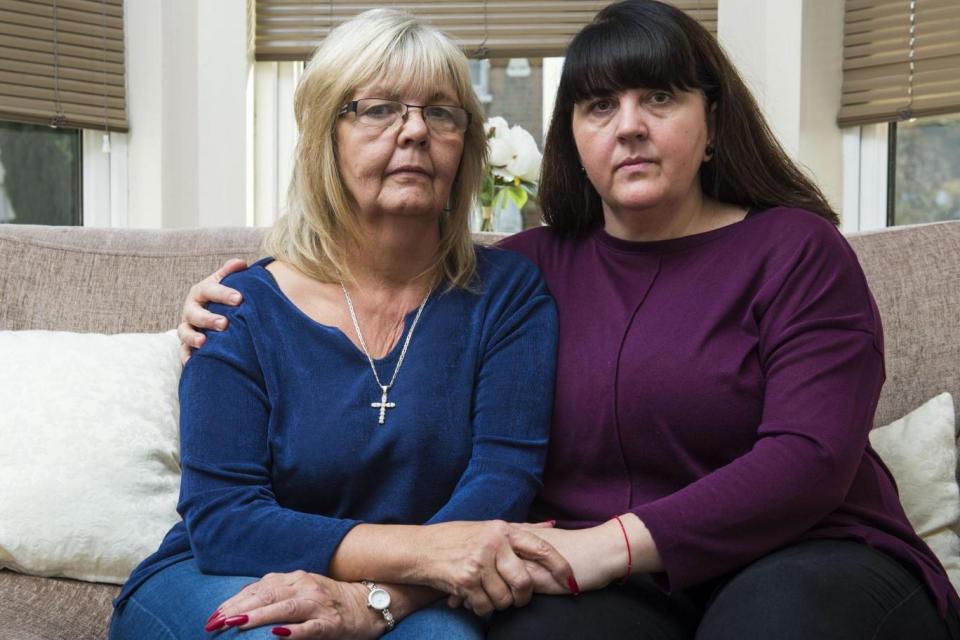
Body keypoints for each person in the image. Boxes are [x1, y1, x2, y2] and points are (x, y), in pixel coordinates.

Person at [180, 1, 960, 638]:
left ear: (713, 121)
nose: (628, 125)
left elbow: (808, 460)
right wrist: (229, 305)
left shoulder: (797, 250)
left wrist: (609, 544)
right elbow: (375, 280)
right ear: (573, 139)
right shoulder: (522, 275)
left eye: (660, 97)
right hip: (610, 588)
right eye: (599, 105)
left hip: (809, 555)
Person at [110, 9, 574, 640]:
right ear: (326, 135)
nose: (414, 132)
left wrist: (375, 597)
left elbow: (501, 480)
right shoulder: (240, 309)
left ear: (464, 146)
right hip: (225, 573)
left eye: (441, 112)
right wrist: (426, 554)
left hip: (422, 598)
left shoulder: (507, 296)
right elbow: (225, 523)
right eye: (380, 108)